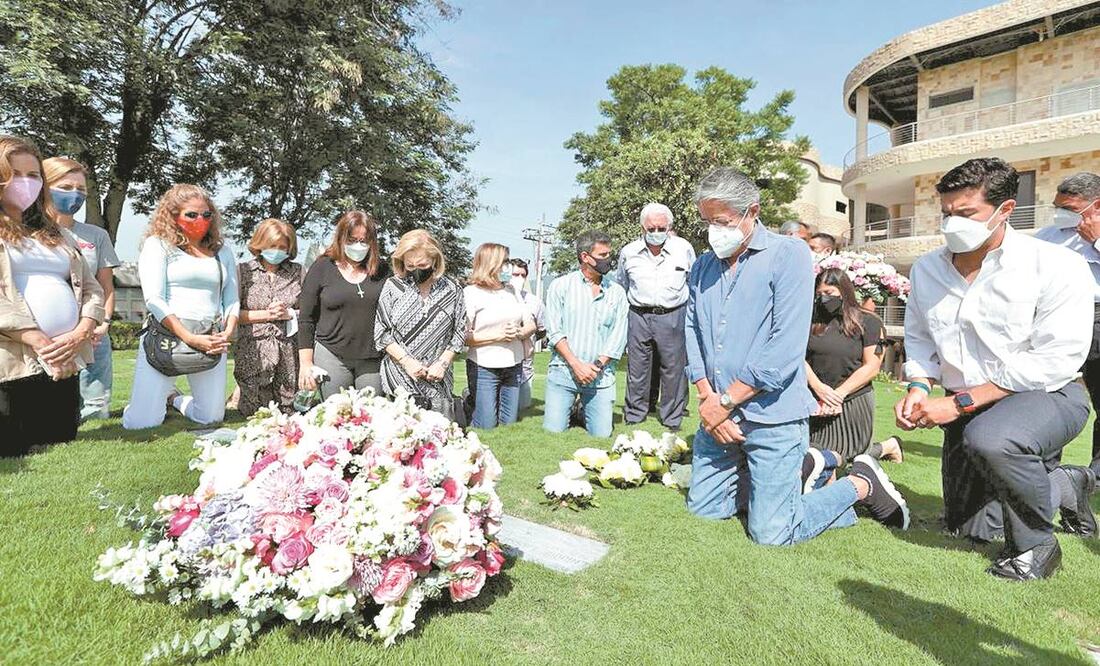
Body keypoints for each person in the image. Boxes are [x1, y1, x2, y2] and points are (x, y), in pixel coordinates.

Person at [685, 166, 909, 545]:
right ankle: (803, 476)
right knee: (705, 509)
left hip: (772, 415)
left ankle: (859, 485)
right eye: (708, 221)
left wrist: (724, 401)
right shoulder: (703, 265)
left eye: (721, 221)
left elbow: (784, 347)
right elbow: (692, 330)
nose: (714, 231)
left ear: (752, 212)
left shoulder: (788, 255)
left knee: (772, 534)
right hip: (719, 410)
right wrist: (709, 399)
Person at [898, 158, 1096, 581]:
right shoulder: (928, 268)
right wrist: (918, 385)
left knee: (991, 439)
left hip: (1046, 394)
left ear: (1005, 210)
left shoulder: (1055, 265)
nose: (953, 224)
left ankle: (1036, 547)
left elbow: (1055, 358)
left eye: (966, 214)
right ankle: (1065, 485)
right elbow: (918, 337)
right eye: (947, 213)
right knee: (966, 529)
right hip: (966, 400)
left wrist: (960, 403)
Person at [0, 136, 104, 455]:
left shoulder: (56, 234)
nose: (27, 183)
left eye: (34, 176)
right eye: (16, 174)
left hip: (65, 362)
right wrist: (42, 344)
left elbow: (91, 288)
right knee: (14, 446)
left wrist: (80, 333)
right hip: (15, 362)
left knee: (61, 443)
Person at [122, 185, 239, 429]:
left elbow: (232, 300)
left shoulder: (223, 252)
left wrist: (227, 332)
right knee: (142, 423)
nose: (201, 220)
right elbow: (154, 298)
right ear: (173, 214)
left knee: (211, 419)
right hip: (167, 336)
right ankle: (144, 404)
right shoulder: (158, 245)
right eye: (192, 215)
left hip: (211, 337)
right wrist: (188, 336)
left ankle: (174, 399)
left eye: (207, 215)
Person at [43, 157, 120, 421]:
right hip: (48, 337)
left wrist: (102, 324)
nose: (74, 194)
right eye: (65, 187)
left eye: (81, 189)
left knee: (96, 409)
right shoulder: (29, 233)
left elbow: (106, 286)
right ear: (44, 186)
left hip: (93, 332)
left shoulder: (96, 236)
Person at [1035, 172, 1100, 477]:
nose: (1061, 213)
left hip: (1098, 318)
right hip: (1056, 317)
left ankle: (1095, 477)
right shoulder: (1048, 236)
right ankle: (1045, 469)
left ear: (1096, 206)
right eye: (1058, 206)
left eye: (1070, 209)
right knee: (1049, 394)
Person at [806, 267, 901, 466]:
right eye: (819, 294)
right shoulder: (810, 320)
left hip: (852, 397)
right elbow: (797, 357)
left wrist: (838, 394)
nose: (824, 299)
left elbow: (872, 367)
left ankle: (888, 446)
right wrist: (818, 388)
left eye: (829, 293)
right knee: (811, 452)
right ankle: (889, 446)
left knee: (850, 455)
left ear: (844, 290)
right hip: (816, 396)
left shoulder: (869, 322)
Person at [615, 202, 695, 431]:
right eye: (651, 229)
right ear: (642, 228)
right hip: (639, 315)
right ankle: (634, 415)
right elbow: (622, 283)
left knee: (673, 369)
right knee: (637, 369)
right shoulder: (629, 252)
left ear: (669, 227)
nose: (656, 233)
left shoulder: (684, 248)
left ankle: (671, 418)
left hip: (673, 314)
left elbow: (693, 281)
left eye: (662, 228)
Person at [543, 230, 628, 438]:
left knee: (602, 435)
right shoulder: (560, 286)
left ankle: (582, 410)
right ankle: (572, 406)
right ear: (585, 257)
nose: (609, 260)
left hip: (601, 376)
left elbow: (618, 335)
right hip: (564, 370)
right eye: (603, 255)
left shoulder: (617, 292)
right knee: (553, 432)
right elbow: (554, 331)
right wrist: (576, 365)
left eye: (609, 254)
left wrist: (597, 365)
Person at [298, 211, 388, 400]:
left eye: (364, 241)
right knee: (336, 415)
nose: (358, 246)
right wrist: (306, 363)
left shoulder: (383, 271)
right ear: (341, 238)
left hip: (372, 358)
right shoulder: (321, 268)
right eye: (352, 240)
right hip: (331, 354)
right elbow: (306, 319)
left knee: (373, 416)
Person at [375, 229, 465, 418]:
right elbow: (381, 332)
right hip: (399, 378)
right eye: (410, 265)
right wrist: (407, 362)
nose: (416, 269)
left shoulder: (453, 289)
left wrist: (442, 363)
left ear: (434, 260)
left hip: (438, 379)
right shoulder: (393, 286)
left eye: (422, 264)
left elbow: (459, 332)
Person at [463, 243, 536, 429]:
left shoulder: (512, 291)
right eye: (504, 262)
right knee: (486, 425)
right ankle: (469, 402)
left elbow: (530, 324)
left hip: (513, 365)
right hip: (484, 367)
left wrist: (520, 332)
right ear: (490, 264)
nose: (508, 268)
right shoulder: (471, 293)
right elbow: (464, 336)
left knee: (508, 424)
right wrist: (496, 336)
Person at [235, 218, 302, 416]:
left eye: (283, 247)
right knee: (254, 413)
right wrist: (267, 314)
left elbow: (309, 312)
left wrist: (288, 313)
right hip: (252, 351)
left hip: (288, 351)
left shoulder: (299, 272)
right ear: (260, 243)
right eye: (272, 246)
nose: (277, 251)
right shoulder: (243, 271)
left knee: (288, 412)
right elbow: (232, 314)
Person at [509, 258, 545, 411]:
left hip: (525, 368)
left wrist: (528, 340)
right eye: (515, 274)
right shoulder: (496, 298)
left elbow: (542, 330)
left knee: (522, 408)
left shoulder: (535, 302)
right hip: (502, 363)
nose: (520, 279)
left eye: (523, 275)